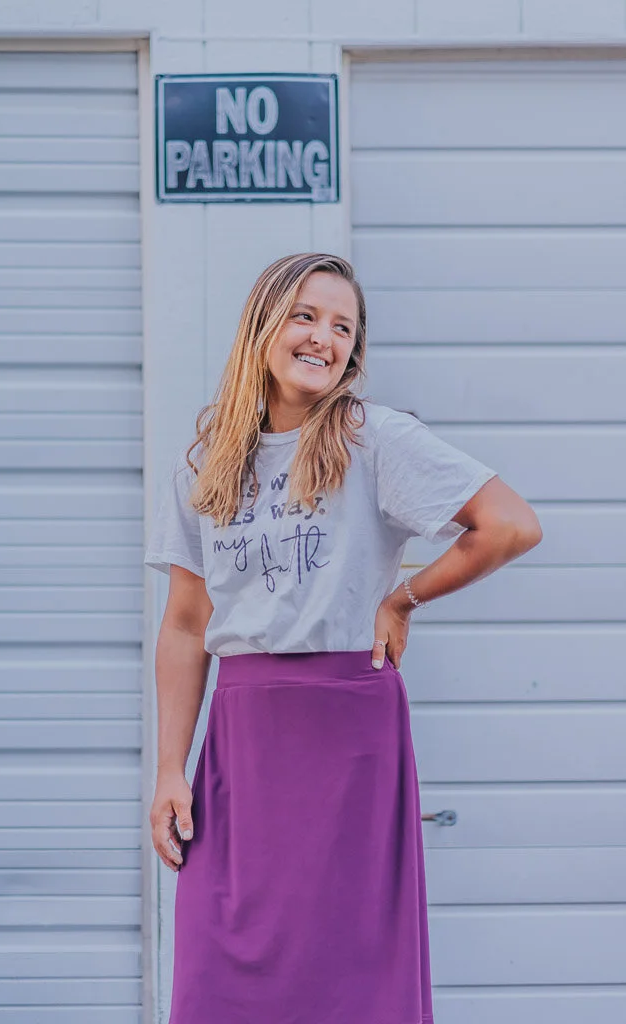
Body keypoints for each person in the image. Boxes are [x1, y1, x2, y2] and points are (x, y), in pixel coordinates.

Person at [145, 253, 542, 1024]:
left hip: (348, 731)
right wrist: (169, 769)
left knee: (351, 962)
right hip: (241, 736)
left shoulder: (375, 439)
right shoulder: (206, 464)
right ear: (262, 326)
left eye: (342, 327)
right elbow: (186, 624)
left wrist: (404, 598)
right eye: (305, 316)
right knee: (218, 961)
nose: (322, 338)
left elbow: (509, 525)